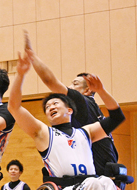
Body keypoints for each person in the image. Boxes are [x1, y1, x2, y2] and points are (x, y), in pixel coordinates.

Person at [9, 32, 124, 190]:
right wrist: (21, 75)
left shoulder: (85, 131)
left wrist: (103, 90)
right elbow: (14, 107)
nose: (51, 106)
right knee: (95, 182)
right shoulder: (44, 132)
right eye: (47, 106)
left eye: (56, 103)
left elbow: (118, 117)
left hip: (91, 186)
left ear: (71, 109)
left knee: (106, 182)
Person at [24, 39, 119, 176]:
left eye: (75, 84)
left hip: (97, 173)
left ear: (87, 91)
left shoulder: (81, 101)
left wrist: (32, 56)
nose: (69, 87)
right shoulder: (93, 108)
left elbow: (50, 81)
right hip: (109, 168)